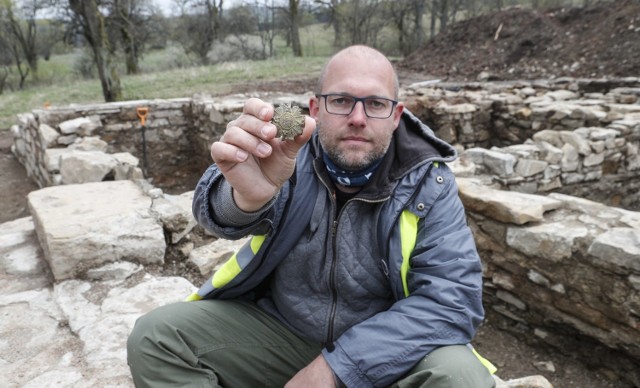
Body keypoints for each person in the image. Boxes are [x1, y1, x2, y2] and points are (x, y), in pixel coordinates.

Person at [127, 45, 495, 388]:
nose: (357, 118)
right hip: (283, 334)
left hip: (387, 354)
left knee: (461, 376)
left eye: (376, 104)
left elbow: (454, 300)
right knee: (155, 336)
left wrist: (337, 368)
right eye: (341, 100)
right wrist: (244, 198)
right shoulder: (290, 144)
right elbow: (215, 211)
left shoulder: (430, 178)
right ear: (315, 108)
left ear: (397, 115)